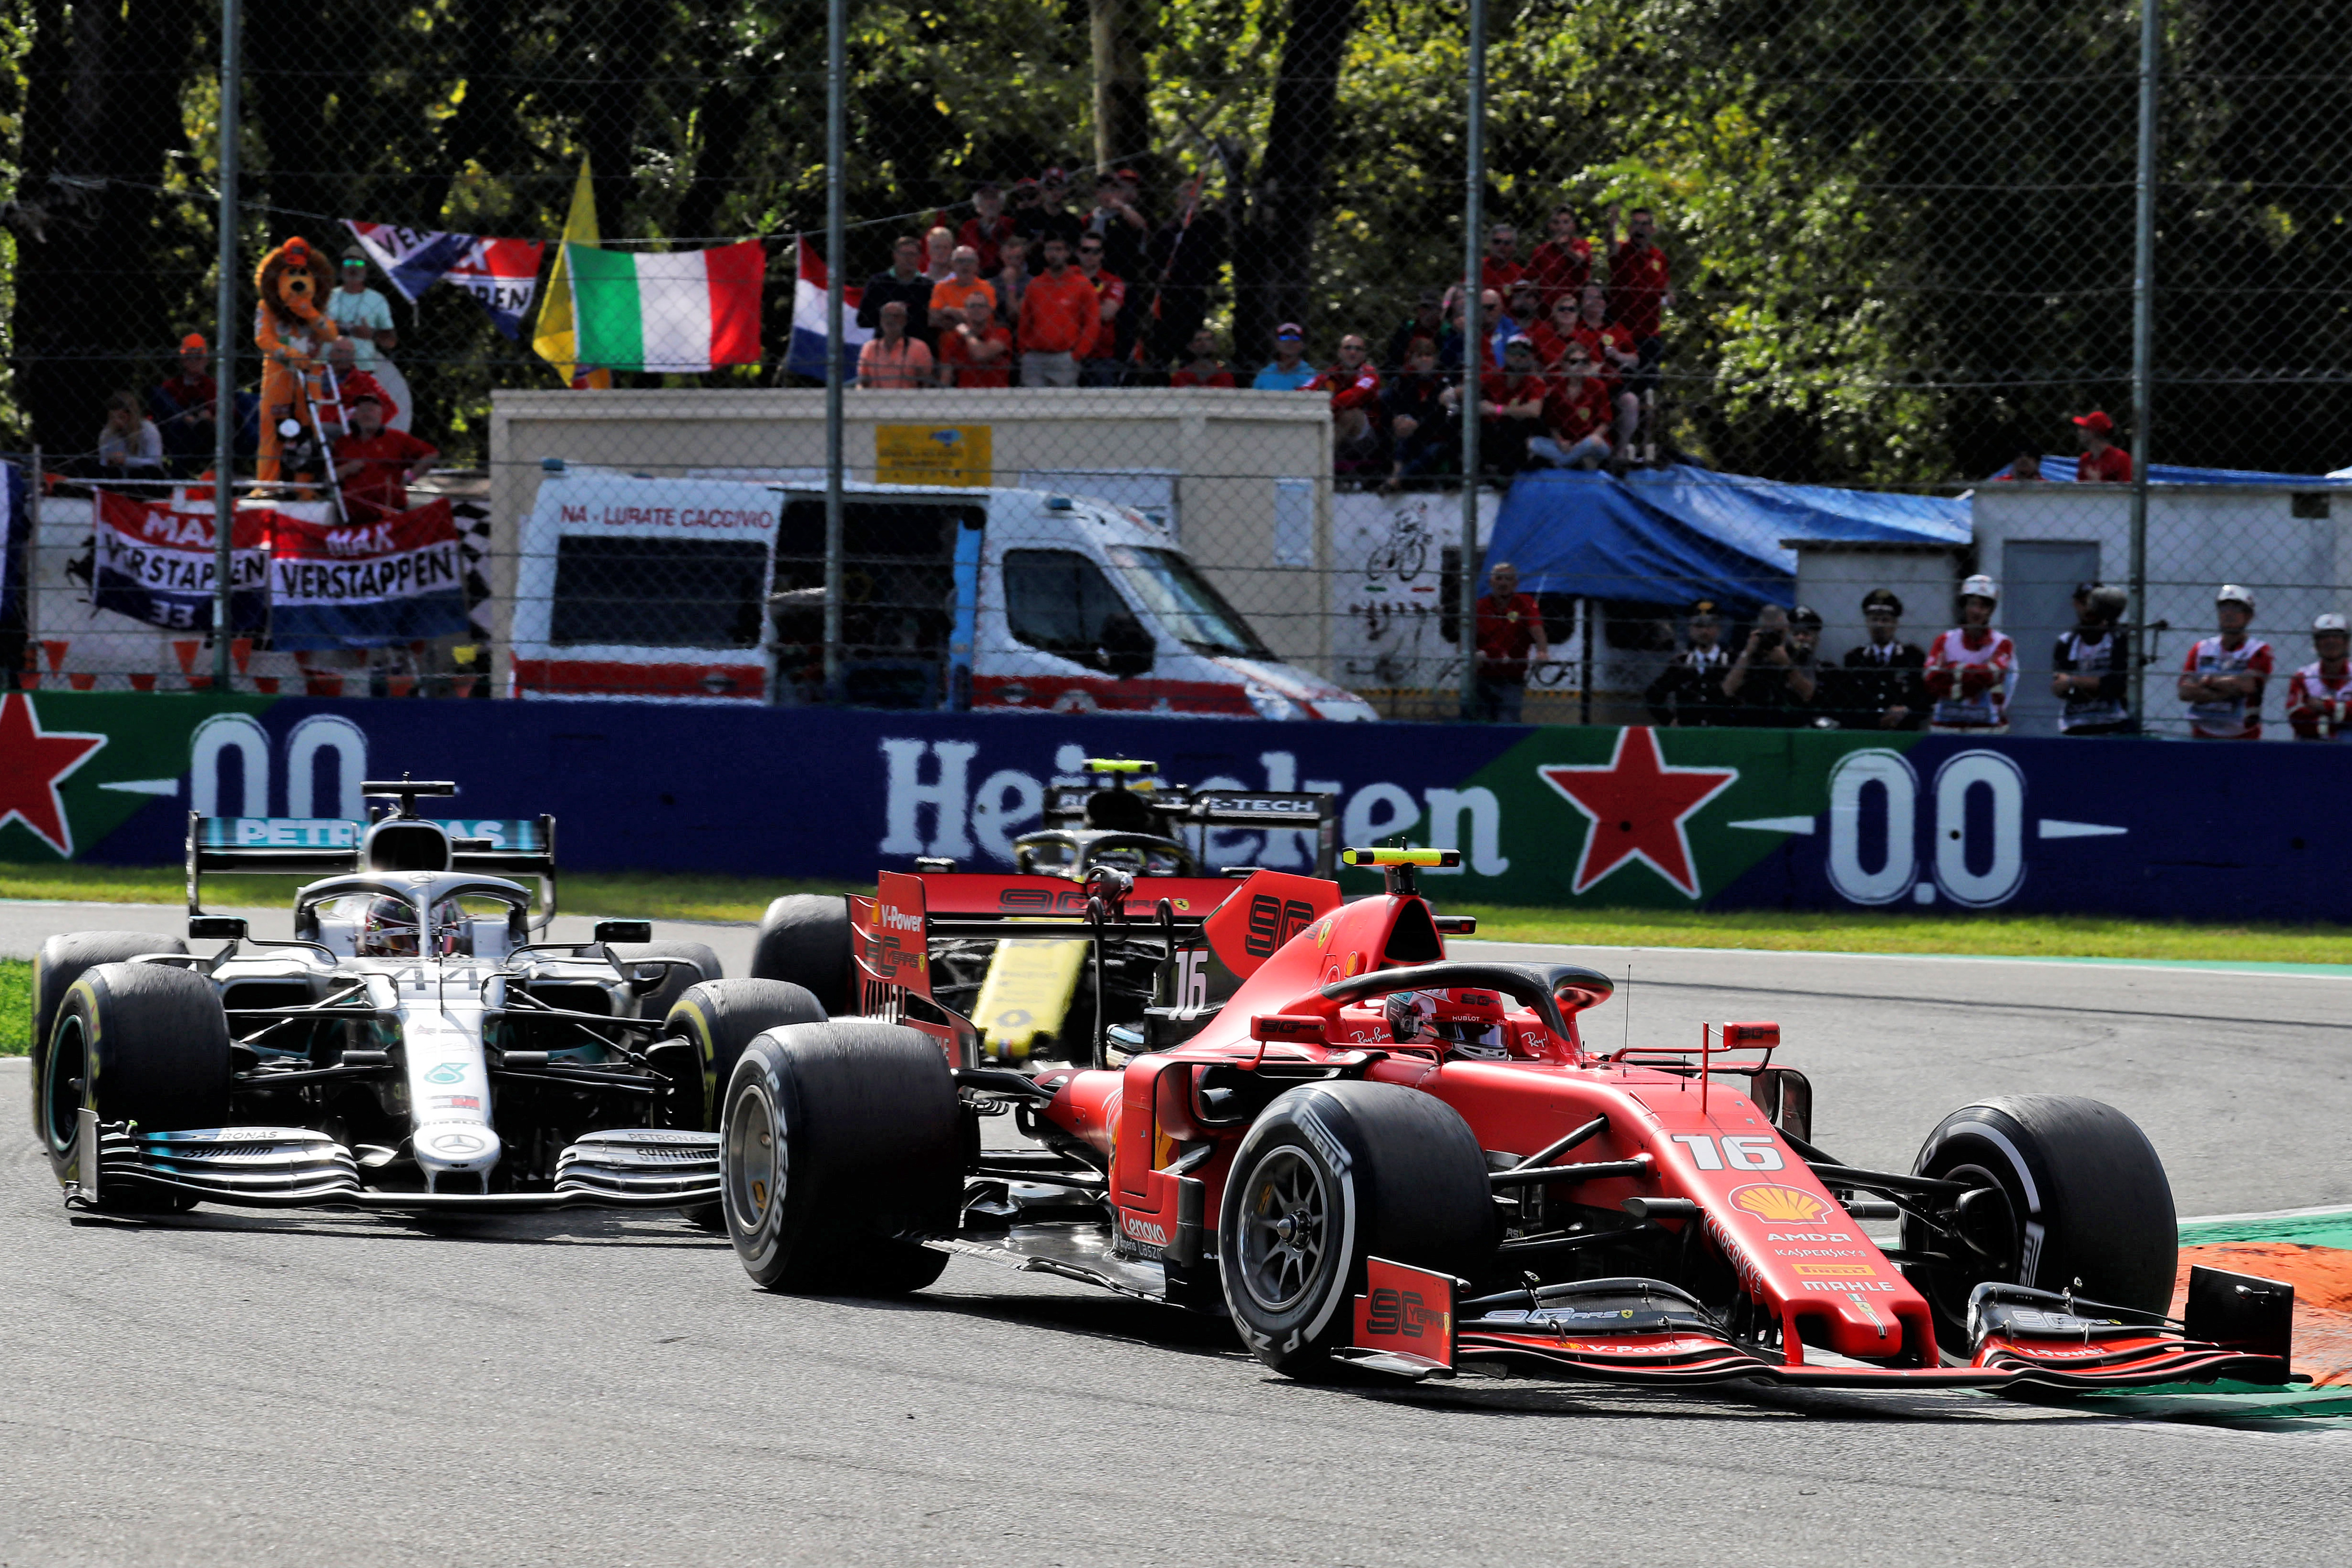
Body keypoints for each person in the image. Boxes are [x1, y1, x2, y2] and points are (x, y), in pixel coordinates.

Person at [1141, 174, 1227, 369]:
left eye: (1194, 198)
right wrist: (1159, 275)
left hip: (1194, 297)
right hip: (1169, 299)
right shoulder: (1166, 232)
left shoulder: (1207, 229)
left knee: (1191, 351)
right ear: (1177, 201)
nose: (1189, 202)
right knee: (1162, 351)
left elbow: (1217, 251)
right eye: (1185, 198)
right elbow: (1152, 265)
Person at [1923, 574, 2017, 731]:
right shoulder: (1945, 640)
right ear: (1964, 605)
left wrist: (1953, 672)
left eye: (1983, 606)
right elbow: (1930, 679)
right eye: (1972, 604)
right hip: (1946, 725)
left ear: (1991, 611)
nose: (1977, 611)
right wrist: (1979, 680)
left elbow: (1994, 675)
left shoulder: (2002, 643)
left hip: (1987, 726)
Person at [2177, 584, 2272, 739]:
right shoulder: (2201, 648)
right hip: (2202, 734)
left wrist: (2206, 681)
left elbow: (2247, 685)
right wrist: (2227, 691)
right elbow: (2184, 690)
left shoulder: (2259, 650)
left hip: (2244, 737)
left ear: (2249, 616)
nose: (2229, 614)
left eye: (2236, 608)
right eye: (2224, 608)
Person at [331, 391, 437, 522]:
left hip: (389, 512)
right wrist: (346, 469)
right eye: (362, 410)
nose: (367, 414)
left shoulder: (397, 439)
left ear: (381, 413)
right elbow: (328, 477)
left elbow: (431, 454)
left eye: (371, 410)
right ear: (355, 415)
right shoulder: (343, 443)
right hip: (352, 513)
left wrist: (409, 478)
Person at [1606, 204, 1672, 403]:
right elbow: (1611, 244)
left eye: (1645, 224)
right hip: (1622, 332)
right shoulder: (1622, 252)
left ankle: (1646, 430)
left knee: (1648, 393)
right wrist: (1612, 225)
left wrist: (1669, 296)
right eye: (1635, 224)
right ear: (1629, 229)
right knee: (1622, 390)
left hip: (1650, 334)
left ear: (1653, 229)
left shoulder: (1659, 257)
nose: (1640, 228)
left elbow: (1667, 287)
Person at [1837, 587, 1928, 730]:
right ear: (1867, 623)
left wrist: (1906, 710)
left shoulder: (1912, 657)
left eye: (1885, 620)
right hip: (1865, 732)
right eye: (1874, 620)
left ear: (1895, 624)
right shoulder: (1855, 659)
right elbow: (1846, 701)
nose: (1879, 625)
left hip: (1903, 733)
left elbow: (1924, 697)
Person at [2051, 582, 2133, 735]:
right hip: (2074, 724)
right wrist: (2098, 685)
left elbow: (2118, 686)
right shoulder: (2066, 642)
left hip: (2113, 723)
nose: (2089, 608)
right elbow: (2060, 689)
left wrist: (2073, 681)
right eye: (2084, 602)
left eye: (2095, 603)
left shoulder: (2118, 639)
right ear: (2076, 604)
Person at [1015, 236, 1097, 388]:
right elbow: (1025, 320)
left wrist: (1078, 354)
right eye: (1049, 249)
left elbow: (1092, 323)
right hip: (1035, 357)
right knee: (1033, 406)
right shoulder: (1036, 285)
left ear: (1068, 253)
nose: (1053, 254)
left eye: (1058, 249)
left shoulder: (1082, 285)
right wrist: (1024, 350)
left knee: (1064, 406)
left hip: (1065, 357)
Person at [1473, 560, 1549, 722]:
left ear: (1516, 584)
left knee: (1508, 720)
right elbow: (1465, 638)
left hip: (1513, 675)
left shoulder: (1525, 603)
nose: (1503, 583)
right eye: (1499, 579)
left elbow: (1536, 628)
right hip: (1483, 674)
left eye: (1508, 579)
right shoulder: (1480, 607)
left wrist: (1542, 652)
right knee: (1479, 721)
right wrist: (1473, 654)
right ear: (1491, 582)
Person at [1572, 282, 1643, 448]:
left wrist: (1619, 356)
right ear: (1582, 303)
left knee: (1631, 401)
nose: (1595, 301)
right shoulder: (1575, 328)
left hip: (1612, 384)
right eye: (1590, 297)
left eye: (1599, 297)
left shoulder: (1617, 329)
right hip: (1583, 383)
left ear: (1605, 302)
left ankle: (1620, 453)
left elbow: (1635, 360)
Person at [1380, 338, 1456, 490]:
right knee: (1403, 438)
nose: (1424, 360)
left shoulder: (1445, 382)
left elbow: (1445, 417)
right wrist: (1400, 419)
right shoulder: (1403, 381)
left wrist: (1418, 422)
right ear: (1412, 359)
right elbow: (1398, 408)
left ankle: (1397, 480)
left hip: (1437, 435)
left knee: (1433, 450)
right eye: (1419, 356)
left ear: (1435, 359)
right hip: (1411, 432)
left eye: (1428, 355)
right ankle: (1396, 473)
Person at [1721, 603, 1816, 724]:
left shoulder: (1798, 653)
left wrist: (1787, 664)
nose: (1772, 637)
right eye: (1767, 632)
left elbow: (1808, 694)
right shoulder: (1746, 653)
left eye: (1777, 632)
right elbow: (1728, 690)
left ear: (1787, 629)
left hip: (1788, 716)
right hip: (1750, 716)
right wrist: (1748, 654)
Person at [1644, 599, 1733, 725]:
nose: (1704, 632)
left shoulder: (1731, 661)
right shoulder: (1680, 664)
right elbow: (1653, 696)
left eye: (1709, 626)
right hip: (1689, 733)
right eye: (1699, 626)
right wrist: (1670, 721)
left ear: (1718, 628)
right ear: (1690, 629)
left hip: (1723, 732)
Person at [1308, 334, 1384, 473]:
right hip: (1335, 426)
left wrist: (1326, 406)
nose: (1353, 352)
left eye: (1358, 349)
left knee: (1351, 414)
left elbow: (1353, 397)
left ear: (1364, 354)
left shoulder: (1370, 374)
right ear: (1340, 352)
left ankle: (1318, 461)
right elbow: (1306, 390)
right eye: (1348, 348)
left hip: (1367, 437)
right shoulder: (1330, 374)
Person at [1528, 345, 1612, 469]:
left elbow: (1605, 423)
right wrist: (1560, 441)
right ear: (1565, 365)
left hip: (1591, 442)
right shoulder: (1558, 390)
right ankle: (1576, 461)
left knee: (1592, 442)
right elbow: (1553, 425)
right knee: (1532, 443)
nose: (1580, 366)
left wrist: (1582, 444)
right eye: (1574, 362)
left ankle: (1561, 463)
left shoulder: (1598, 387)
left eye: (1585, 362)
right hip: (1567, 444)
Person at [1476, 336, 1550, 473]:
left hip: (1515, 433)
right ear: (1505, 355)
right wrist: (1452, 394)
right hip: (1489, 429)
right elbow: (1467, 389)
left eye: (1523, 354)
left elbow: (1534, 410)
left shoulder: (1535, 382)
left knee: (1516, 425)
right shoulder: (1495, 376)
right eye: (1513, 353)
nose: (1518, 358)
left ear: (1530, 357)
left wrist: (1496, 409)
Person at [858, 235, 940, 350]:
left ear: (919, 258)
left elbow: (932, 323)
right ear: (895, 255)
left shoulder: (928, 286)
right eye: (904, 254)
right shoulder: (878, 283)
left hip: (919, 350)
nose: (908, 258)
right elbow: (863, 320)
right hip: (886, 349)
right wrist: (890, 314)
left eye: (913, 254)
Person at [151, 332, 218, 471]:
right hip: (175, 435)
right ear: (182, 360)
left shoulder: (214, 387)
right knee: (157, 394)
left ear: (206, 360)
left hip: (206, 436)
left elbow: (230, 418)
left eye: (198, 358)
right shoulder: (171, 386)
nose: (194, 361)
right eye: (189, 358)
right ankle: (185, 417)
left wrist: (211, 418)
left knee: (200, 426)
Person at [1073, 233, 1130, 384]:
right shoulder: (1066, 276)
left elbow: (1107, 314)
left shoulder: (1114, 281)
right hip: (1067, 352)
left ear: (1102, 254)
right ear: (1078, 252)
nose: (1090, 255)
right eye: (1086, 250)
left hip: (1100, 356)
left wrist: (1072, 305)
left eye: (1096, 251)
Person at [2285, 613, 2352, 741]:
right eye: (2324, 637)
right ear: (2316, 644)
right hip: (2314, 748)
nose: (2331, 641)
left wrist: (2325, 707)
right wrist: (2344, 716)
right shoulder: (2303, 676)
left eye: (2337, 636)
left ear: (2346, 642)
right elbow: (2296, 717)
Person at [318, 337, 398, 436]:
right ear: (330, 354)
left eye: (349, 353)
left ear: (354, 357)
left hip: (344, 431)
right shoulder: (315, 373)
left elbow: (390, 408)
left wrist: (365, 426)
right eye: (339, 351)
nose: (344, 356)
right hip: (310, 423)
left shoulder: (365, 381)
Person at [1085, 171, 1150, 286]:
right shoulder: (1092, 218)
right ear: (1097, 193)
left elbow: (1141, 226)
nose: (1107, 195)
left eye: (1112, 190)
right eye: (1103, 190)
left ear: (1120, 193)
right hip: (1096, 277)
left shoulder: (1127, 214)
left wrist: (1121, 207)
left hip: (1124, 277)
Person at [1526, 206, 1592, 314]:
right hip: (1546, 312)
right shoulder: (1541, 251)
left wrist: (1565, 248)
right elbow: (1528, 277)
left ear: (1574, 226)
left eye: (1566, 222)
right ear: (1550, 226)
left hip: (1575, 310)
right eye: (1556, 223)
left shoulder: (1582, 245)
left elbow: (1581, 259)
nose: (1561, 227)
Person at [855, 300, 935, 388]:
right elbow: (862, 382)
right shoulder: (870, 348)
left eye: (896, 316)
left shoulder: (919, 347)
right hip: (876, 399)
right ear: (881, 320)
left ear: (905, 320)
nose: (891, 320)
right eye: (887, 316)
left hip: (908, 398)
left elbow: (926, 383)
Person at [937, 296, 1012, 388]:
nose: (977, 309)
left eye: (981, 306)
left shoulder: (1002, 333)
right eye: (972, 306)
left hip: (997, 394)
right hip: (966, 395)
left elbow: (981, 355)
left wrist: (967, 333)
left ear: (989, 310)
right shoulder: (954, 338)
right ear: (966, 311)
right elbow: (946, 378)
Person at [91, 389, 165, 479]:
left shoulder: (148, 429)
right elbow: (103, 463)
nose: (117, 422)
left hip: (142, 475)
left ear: (132, 415)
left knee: (145, 472)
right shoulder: (107, 433)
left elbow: (155, 462)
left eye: (122, 417)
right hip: (119, 476)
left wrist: (126, 461)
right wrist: (110, 461)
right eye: (112, 418)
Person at [928, 245, 997, 336]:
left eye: (970, 261)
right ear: (952, 265)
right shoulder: (941, 287)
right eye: (960, 261)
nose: (965, 265)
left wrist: (949, 311)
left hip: (981, 338)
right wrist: (970, 317)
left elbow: (986, 319)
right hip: (951, 342)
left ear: (977, 265)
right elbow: (933, 321)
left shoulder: (987, 287)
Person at [957, 181, 1014, 274]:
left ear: (1001, 204)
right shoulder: (968, 227)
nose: (990, 203)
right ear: (978, 205)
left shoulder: (1009, 224)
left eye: (994, 198)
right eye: (986, 198)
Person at [1385, 288, 1446, 374]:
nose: (1429, 313)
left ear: (1440, 312)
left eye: (1434, 309)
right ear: (1419, 309)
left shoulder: (1445, 332)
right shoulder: (1407, 328)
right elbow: (1392, 360)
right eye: (1425, 308)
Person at [989, 234, 1032, 342]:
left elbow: (1015, 317)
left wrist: (1011, 285)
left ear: (1024, 257)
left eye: (1018, 258)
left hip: (1024, 335)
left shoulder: (1032, 283)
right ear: (1001, 256)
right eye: (1009, 258)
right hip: (996, 335)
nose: (1013, 262)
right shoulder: (990, 284)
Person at [1252, 322, 1318, 391]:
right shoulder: (1264, 375)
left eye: (1296, 338)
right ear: (1277, 344)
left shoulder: (1311, 376)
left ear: (1302, 345)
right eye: (1284, 337)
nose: (1289, 342)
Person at [2072, 410, 2131, 482]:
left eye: (2085, 428)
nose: (2080, 432)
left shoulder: (2121, 458)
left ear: (2093, 432)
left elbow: (2127, 490)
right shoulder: (2085, 459)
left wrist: (2098, 483)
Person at [1168, 328, 1235, 389]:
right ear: (1191, 347)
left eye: (1208, 339)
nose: (1204, 343)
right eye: (1198, 340)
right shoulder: (1181, 376)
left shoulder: (1225, 377)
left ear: (1215, 346)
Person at [1480, 222, 1525, 297]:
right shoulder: (1477, 268)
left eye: (1507, 243)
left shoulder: (1519, 274)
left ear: (1514, 247)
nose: (1502, 246)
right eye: (1497, 242)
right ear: (1490, 245)